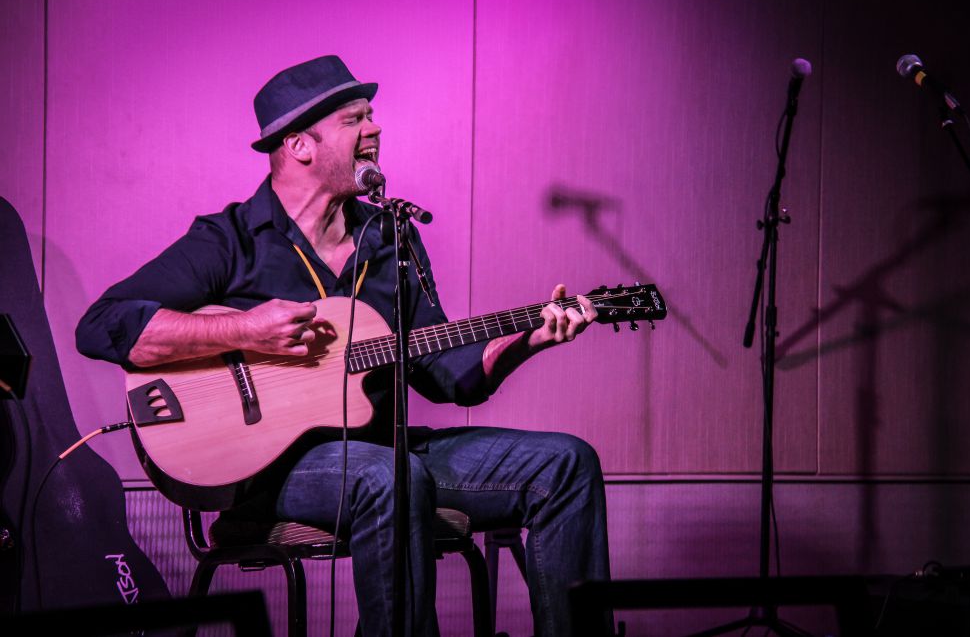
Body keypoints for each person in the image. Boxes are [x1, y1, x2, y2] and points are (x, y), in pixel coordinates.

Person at [76, 55, 610, 636]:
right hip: (271, 474)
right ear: (299, 145)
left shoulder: (390, 239)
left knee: (565, 463)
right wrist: (245, 330)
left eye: (371, 116)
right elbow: (102, 325)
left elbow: (446, 374)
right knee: (391, 477)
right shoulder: (230, 240)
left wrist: (529, 338)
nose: (375, 129)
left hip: (387, 452)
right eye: (355, 119)